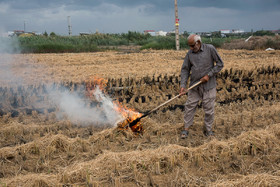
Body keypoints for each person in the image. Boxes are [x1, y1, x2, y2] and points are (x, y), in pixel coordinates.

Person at [180, 34, 224, 139]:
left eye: (192, 45)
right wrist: (183, 85)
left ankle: (208, 130)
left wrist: (208, 75)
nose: (191, 48)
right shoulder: (189, 54)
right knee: (189, 107)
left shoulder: (210, 49)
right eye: (189, 46)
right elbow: (185, 70)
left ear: (198, 43)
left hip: (209, 86)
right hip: (194, 86)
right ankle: (186, 129)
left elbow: (220, 64)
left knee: (209, 109)